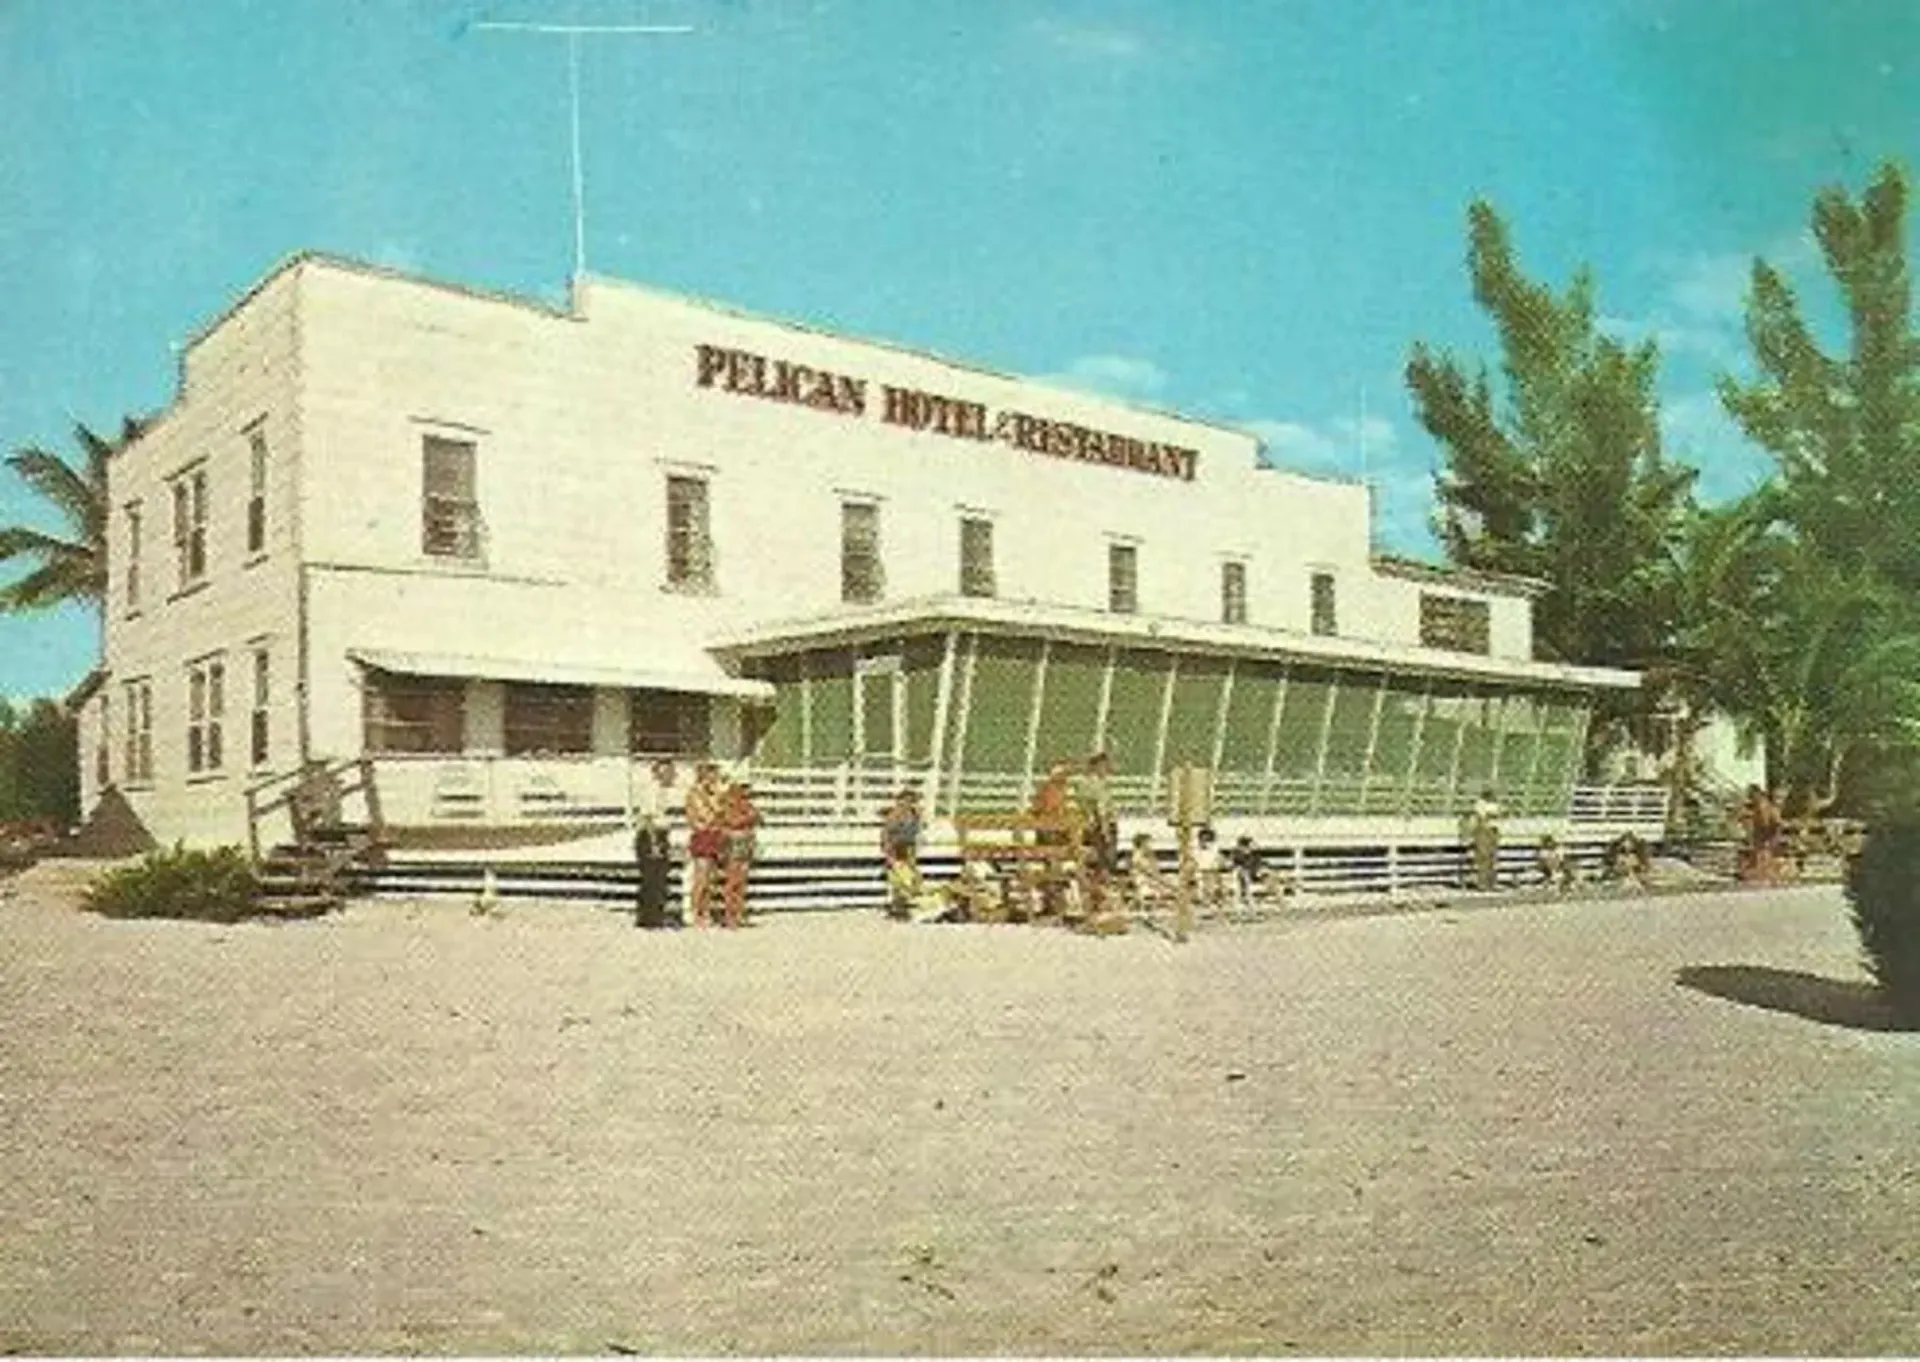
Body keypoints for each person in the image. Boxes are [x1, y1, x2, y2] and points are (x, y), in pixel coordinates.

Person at [632, 758, 678, 929]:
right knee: (652, 878)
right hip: (651, 836)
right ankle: (648, 918)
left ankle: (655, 915)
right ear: (658, 773)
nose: (672, 776)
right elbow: (648, 819)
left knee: (659, 878)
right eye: (668, 772)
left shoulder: (661, 791)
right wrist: (654, 844)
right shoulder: (652, 791)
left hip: (660, 834)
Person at [1074, 751, 1120, 912]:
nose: (1108, 769)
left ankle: (1097, 899)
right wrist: (1105, 829)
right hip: (1100, 826)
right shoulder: (1095, 784)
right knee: (1104, 862)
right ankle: (1100, 900)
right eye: (1105, 766)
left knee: (1097, 863)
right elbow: (1099, 809)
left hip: (1092, 825)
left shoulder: (1086, 783)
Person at [683, 762, 726, 926]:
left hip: (714, 835)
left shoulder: (714, 794)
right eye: (712, 776)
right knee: (701, 877)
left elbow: (720, 813)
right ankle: (695, 912)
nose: (715, 779)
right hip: (702, 836)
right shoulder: (694, 794)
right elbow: (701, 817)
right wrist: (712, 816)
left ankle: (706, 910)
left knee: (711, 878)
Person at [719, 781, 760, 929]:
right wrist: (747, 818)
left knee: (742, 881)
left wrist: (749, 818)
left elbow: (758, 817)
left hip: (745, 843)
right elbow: (732, 821)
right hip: (734, 843)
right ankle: (729, 915)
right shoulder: (728, 804)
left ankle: (739, 913)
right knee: (732, 881)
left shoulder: (747, 805)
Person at [880, 787, 924, 921]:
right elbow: (886, 836)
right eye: (905, 801)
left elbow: (915, 837)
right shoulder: (894, 816)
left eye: (912, 801)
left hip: (908, 849)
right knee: (899, 881)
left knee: (908, 880)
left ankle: (900, 907)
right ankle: (898, 908)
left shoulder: (915, 816)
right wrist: (889, 856)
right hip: (895, 848)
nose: (908, 804)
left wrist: (913, 857)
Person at [1468, 787, 1501, 890]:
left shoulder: (1495, 804)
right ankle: (1482, 883)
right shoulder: (1480, 804)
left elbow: (1498, 814)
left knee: (1493, 858)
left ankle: (1492, 882)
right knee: (1484, 858)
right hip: (1483, 830)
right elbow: (1483, 816)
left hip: (1493, 830)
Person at [1227, 834, 1267, 915]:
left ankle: (1249, 908)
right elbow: (1233, 865)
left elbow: (1257, 866)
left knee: (1244, 876)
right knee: (1241, 874)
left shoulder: (1254, 855)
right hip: (1242, 878)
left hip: (1251, 876)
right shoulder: (1237, 853)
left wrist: (1257, 873)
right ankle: (1246, 908)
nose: (1245, 848)